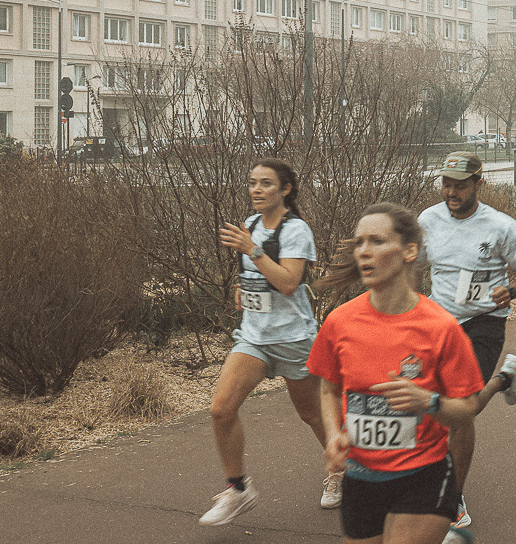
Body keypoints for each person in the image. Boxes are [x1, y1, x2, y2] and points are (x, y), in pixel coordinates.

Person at [310, 204, 485, 544]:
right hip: (361, 476)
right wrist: (333, 434)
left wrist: (430, 402)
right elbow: (329, 390)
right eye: (359, 242)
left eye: (376, 241)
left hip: (424, 472)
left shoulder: (441, 327)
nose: (364, 251)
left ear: (409, 251)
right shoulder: (340, 321)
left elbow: (467, 409)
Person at [201, 159, 332, 527]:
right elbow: (255, 274)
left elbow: (289, 282)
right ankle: (238, 489)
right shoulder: (252, 225)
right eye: (252, 183)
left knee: (310, 414)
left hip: (294, 339)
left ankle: (340, 467)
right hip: (255, 338)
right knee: (221, 409)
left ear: (285, 190)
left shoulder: (295, 230)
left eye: (265, 184)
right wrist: (244, 287)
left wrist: (252, 250)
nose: (256, 190)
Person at [419, 152, 516, 532]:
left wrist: (511, 292)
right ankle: (503, 379)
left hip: (485, 321)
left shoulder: (500, 225)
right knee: (434, 406)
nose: (451, 192)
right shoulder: (428, 220)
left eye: (460, 185)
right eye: (446, 184)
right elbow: (412, 267)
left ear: (478, 184)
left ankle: (452, 495)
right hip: (439, 323)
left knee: (462, 409)